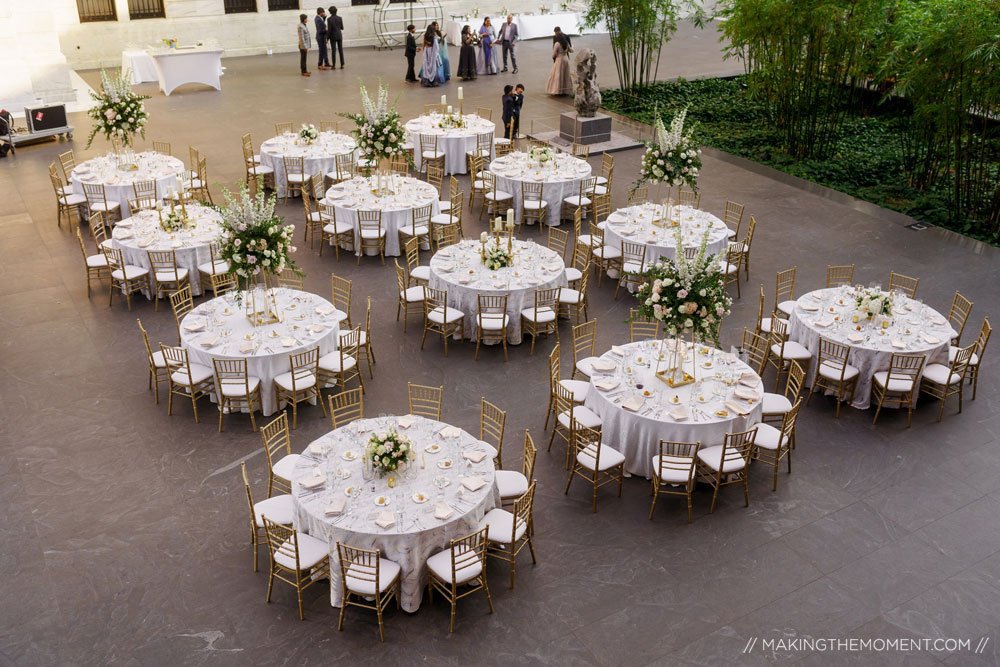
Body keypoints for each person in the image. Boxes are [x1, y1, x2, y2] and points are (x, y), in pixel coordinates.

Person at [546, 31, 573, 95]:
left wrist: (555, 56)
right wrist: (573, 47)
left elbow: (553, 54)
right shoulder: (566, 43)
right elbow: (571, 50)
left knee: (558, 75)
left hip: (559, 60)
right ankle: (565, 90)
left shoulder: (557, 44)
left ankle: (557, 90)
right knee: (565, 75)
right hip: (565, 59)